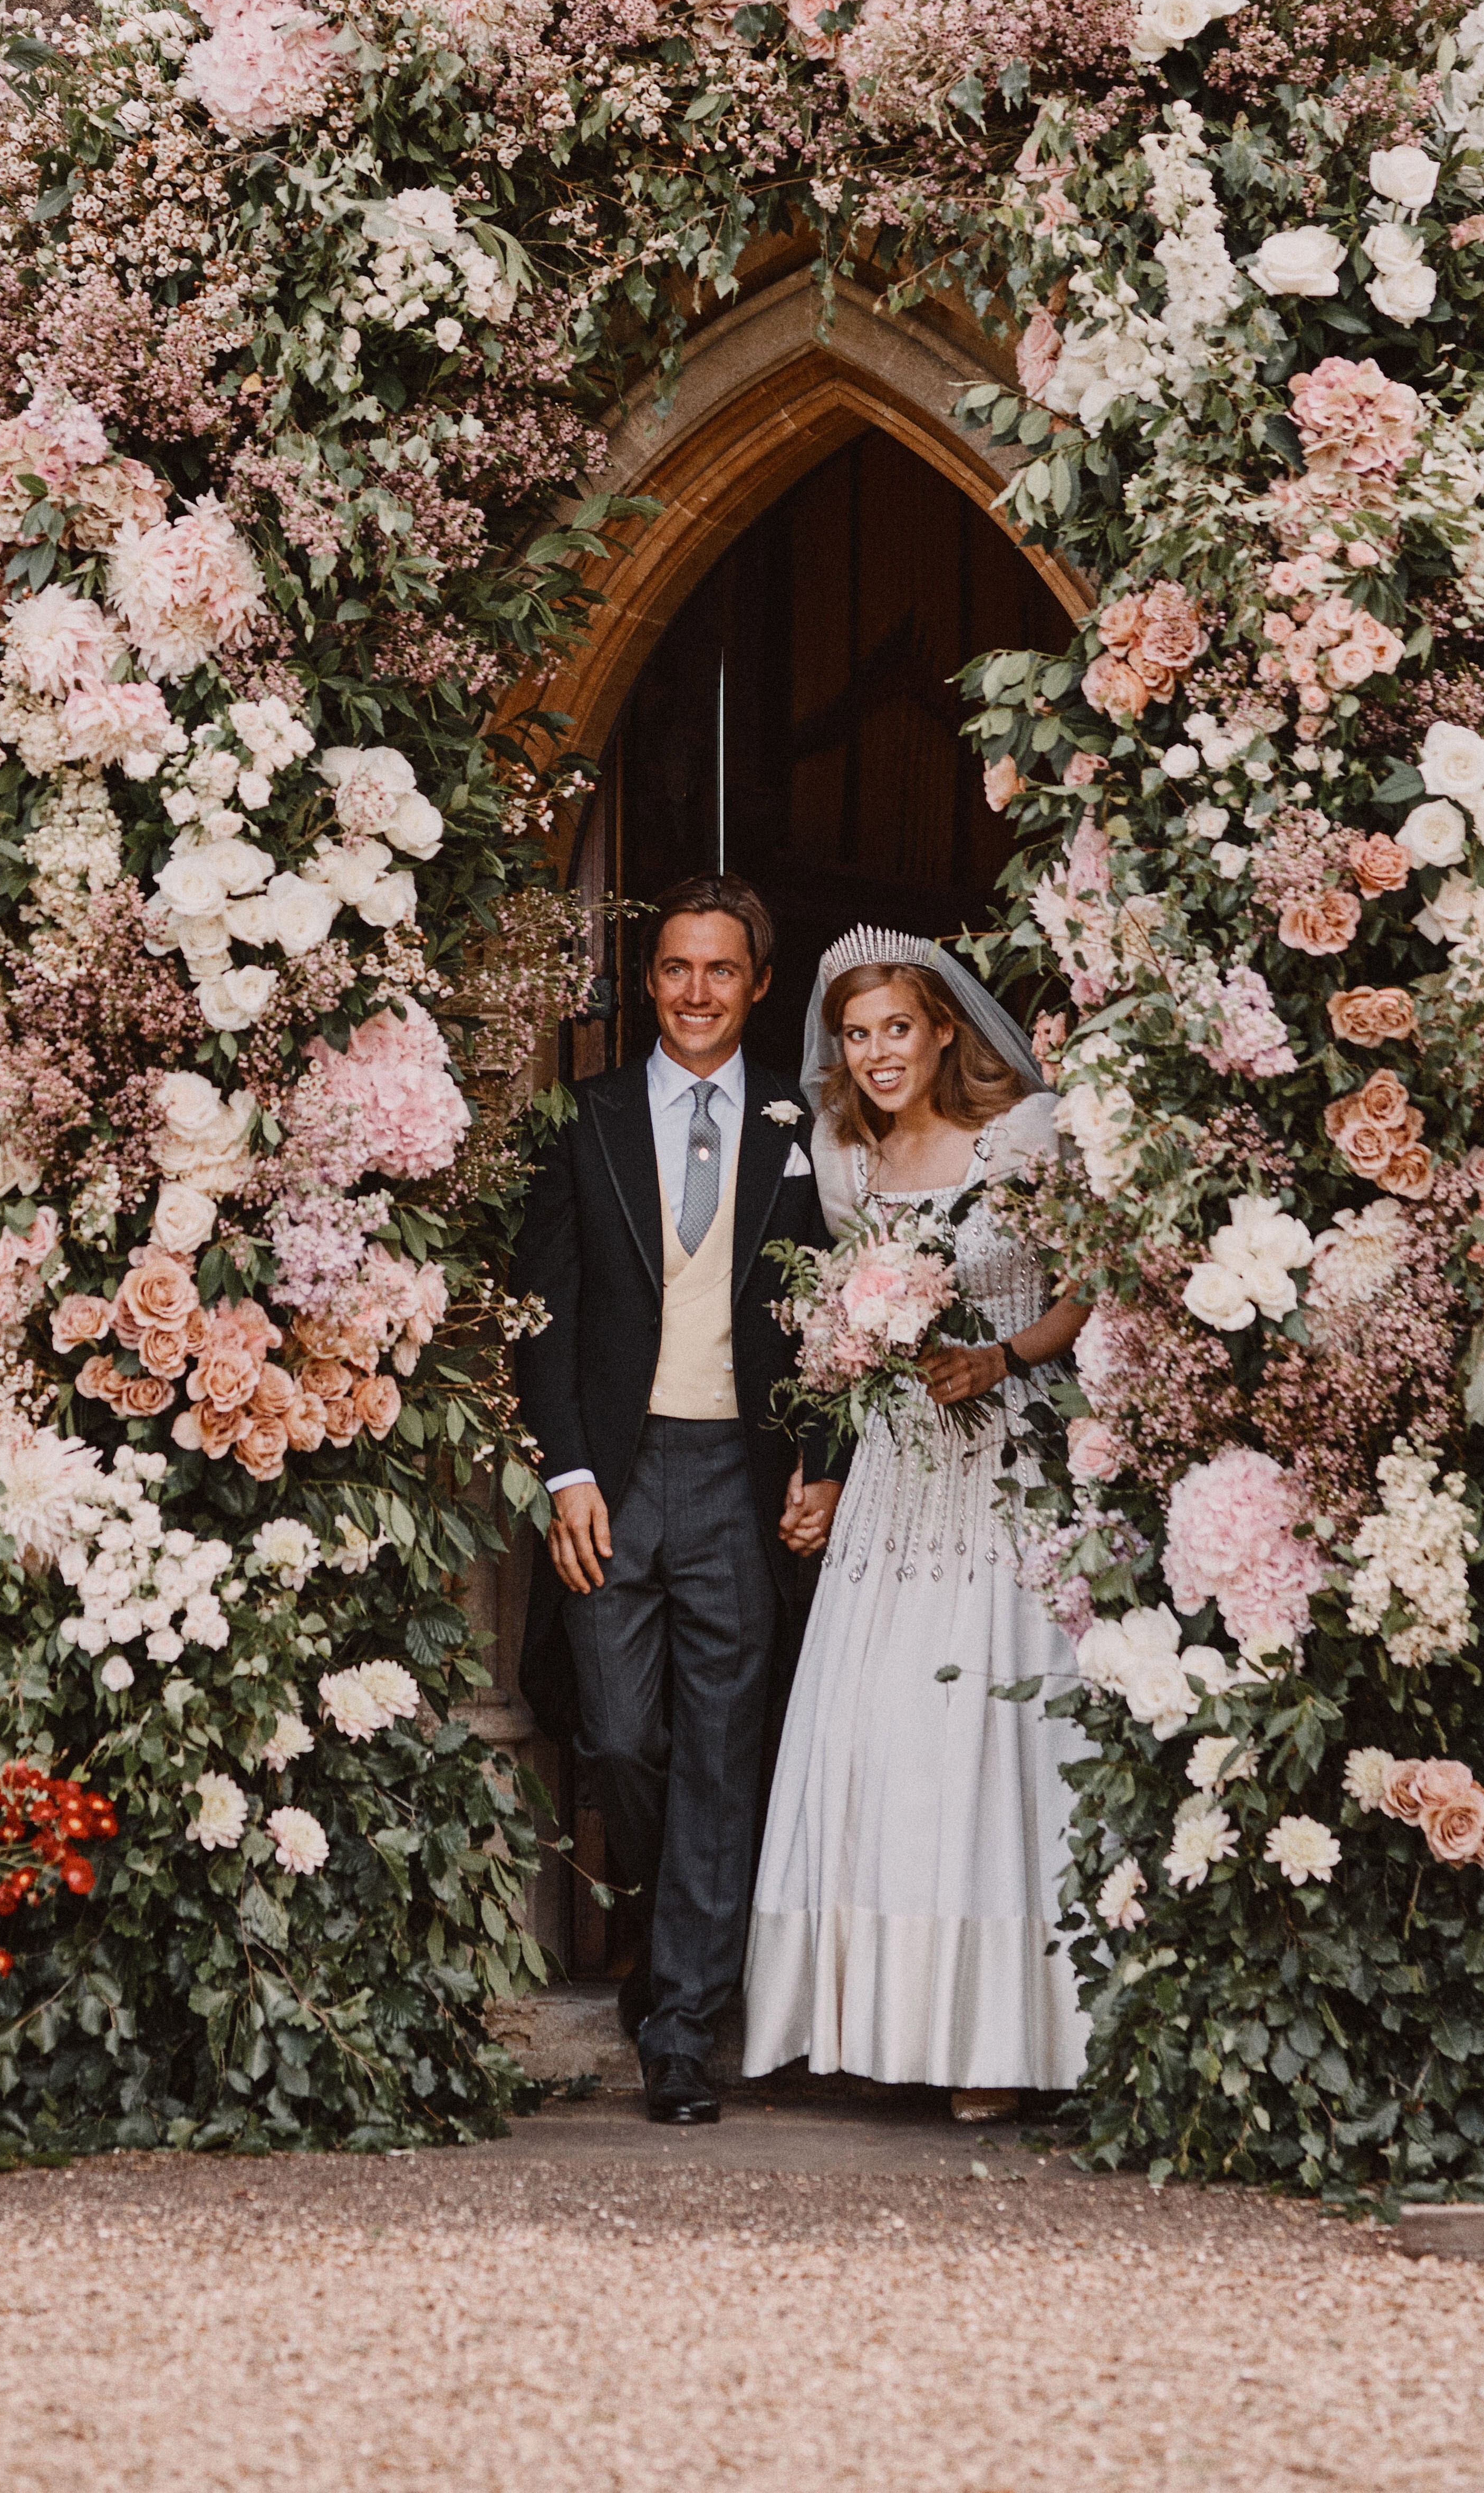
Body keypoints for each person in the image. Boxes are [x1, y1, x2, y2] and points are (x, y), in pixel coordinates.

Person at [742, 925, 1091, 2119]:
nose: (877, 1053)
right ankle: (878, 2020)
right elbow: (841, 1345)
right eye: (855, 1034)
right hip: (896, 1478)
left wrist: (998, 1353)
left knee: (994, 1741)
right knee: (883, 1734)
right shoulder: (845, 1160)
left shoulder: (1024, 1137)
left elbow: (1084, 1288)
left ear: (945, 1027)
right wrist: (826, 1461)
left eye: (897, 1027)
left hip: (1008, 1459)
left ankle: (1002, 2038)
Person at [514, 872, 832, 2125]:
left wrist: (820, 1455)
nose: (695, 993)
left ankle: (685, 2027)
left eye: (720, 971)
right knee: (618, 1739)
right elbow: (540, 1313)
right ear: (647, 983)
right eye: (673, 970)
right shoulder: (581, 1119)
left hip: (737, 1479)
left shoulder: (803, 1127)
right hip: (615, 1471)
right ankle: (662, 1936)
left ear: (758, 984)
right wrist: (566, 1469)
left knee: (718, 1753)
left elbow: (838, 1314)